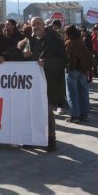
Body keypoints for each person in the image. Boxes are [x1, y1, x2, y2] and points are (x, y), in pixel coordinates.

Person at [23, 17, 66, 152]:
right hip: (32, 82)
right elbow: (24, 53)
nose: (36, 26)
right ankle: (33, 138)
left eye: (38, 24)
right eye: (33, 25)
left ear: (44, 25)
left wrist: (47, 62)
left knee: (46, 112)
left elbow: (64, 61)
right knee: (31, 111)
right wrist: (24, 54)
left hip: (49, 81)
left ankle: (51, 139)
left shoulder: (55, 40)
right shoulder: (30, 40)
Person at [64, 25, 92, 123]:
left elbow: (68, 57)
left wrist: (69, 68)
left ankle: (75, 116)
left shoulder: (69, 43)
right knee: (83, 92)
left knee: (72, 93)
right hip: (83, 70)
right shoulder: (81, 42)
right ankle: (84, 114)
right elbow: (88, 56)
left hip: (72, 70)